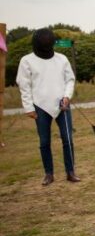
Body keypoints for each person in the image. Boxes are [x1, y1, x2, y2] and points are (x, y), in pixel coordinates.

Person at [16, 28, 81, 186]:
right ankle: (49, 173)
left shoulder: (61, 59)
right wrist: (29, 107)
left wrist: (67, 96)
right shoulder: (27, 61)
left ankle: (70, 172)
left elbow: (70, 80)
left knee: (67, 139)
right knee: (45, 141)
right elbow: (24, 85)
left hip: (62, 105)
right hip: (40, 106)